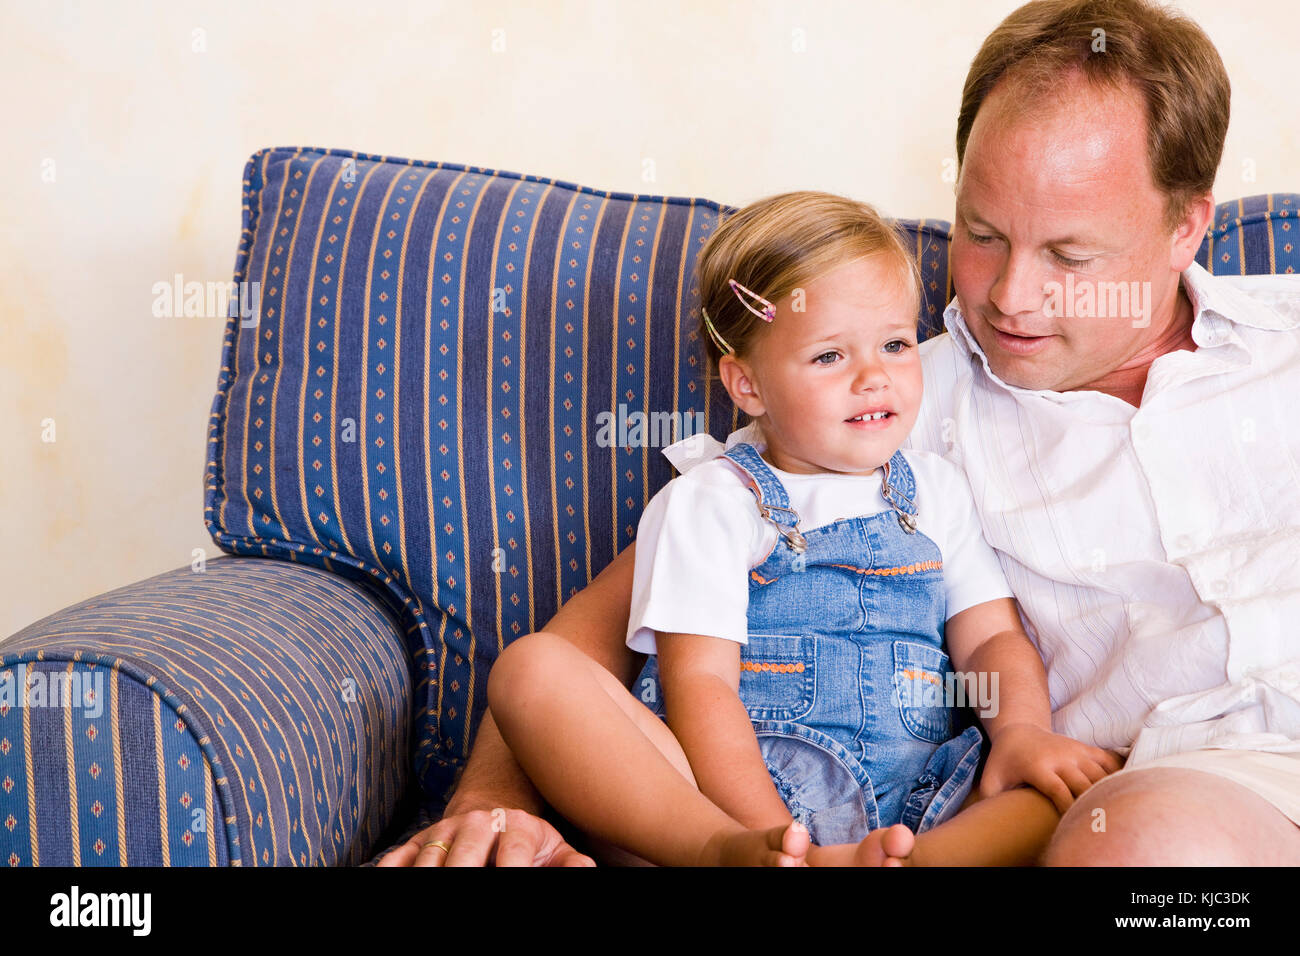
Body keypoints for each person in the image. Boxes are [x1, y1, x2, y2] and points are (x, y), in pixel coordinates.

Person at [378, 0, 1300, 867]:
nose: (1011, 297)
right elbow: (582, 644)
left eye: (1070, 255)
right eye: (982, 235)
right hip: (1192, 800)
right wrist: (489, 815)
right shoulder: (889, 405)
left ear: (1187, 226)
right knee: (1138, 852)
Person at [485, 192, 1120, 866]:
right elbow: (701, 689)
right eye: (828, 358)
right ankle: (721, 854)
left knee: (1077, 792)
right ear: (748, 385)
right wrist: (767, 837)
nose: (874, 377)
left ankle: (914, 861)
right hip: (735, 796)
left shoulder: (937, 491)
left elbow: (991, 635)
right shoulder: (713, 502)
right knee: (532, 671)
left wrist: (1021, 732)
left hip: (926, 799)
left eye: (896, 344)